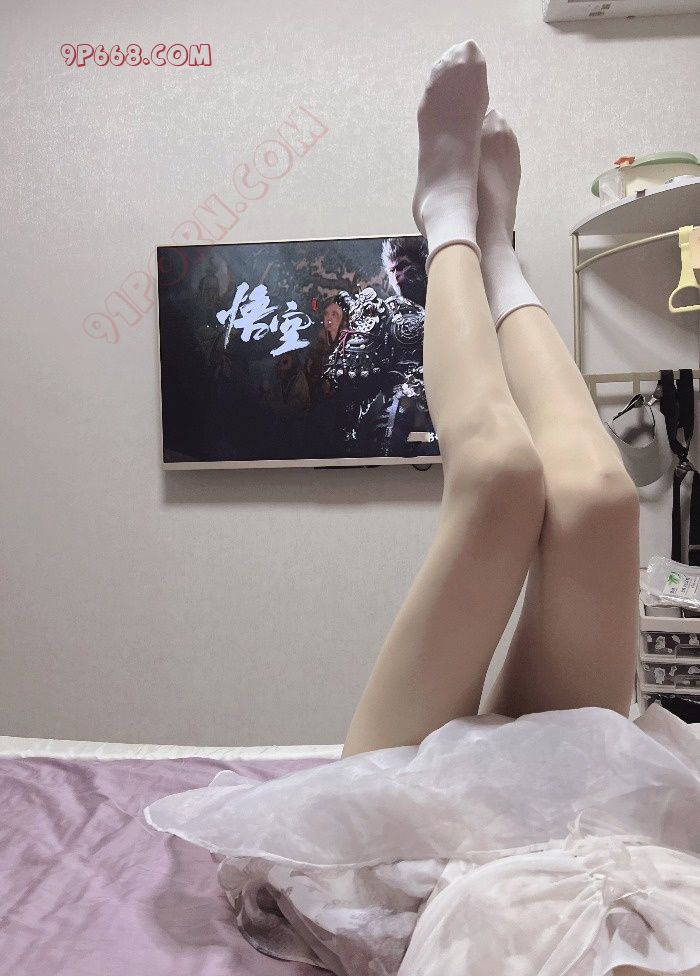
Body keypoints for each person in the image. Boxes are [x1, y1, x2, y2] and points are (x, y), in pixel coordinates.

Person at [144, 41, 700, 975]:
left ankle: (448, 223)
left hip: (405, 866)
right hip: (606, 843)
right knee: (602, 502)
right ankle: (497, 253)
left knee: (499, 479)